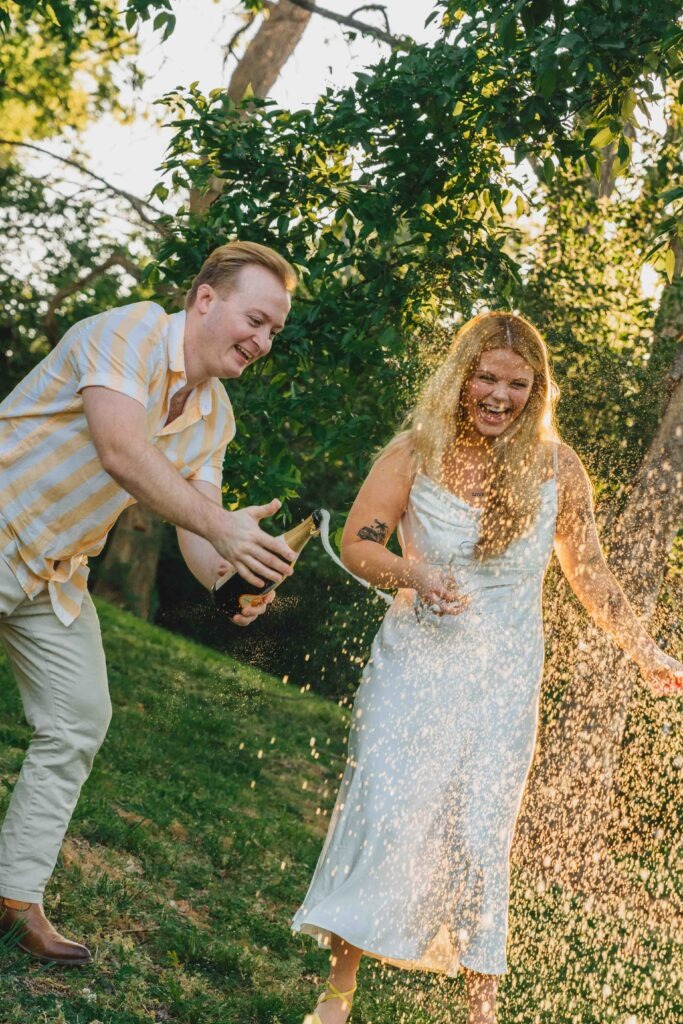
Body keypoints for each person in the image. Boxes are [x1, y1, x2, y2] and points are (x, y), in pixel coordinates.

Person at [291, 311, 683, 1024]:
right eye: (486, 378)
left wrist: (644, 649)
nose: (498, 396)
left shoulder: (557, 469)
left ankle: (481, 1008)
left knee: (478, 831)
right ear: (460, 377)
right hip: (413, 665)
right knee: (382, 804)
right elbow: (356, 543)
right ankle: (337, 991)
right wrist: (413, 573)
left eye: (516, 384)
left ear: (536, 392)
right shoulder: (415, 453)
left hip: (501, 680)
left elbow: (588, 573)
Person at [0, 240, 298, 964]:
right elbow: (123, 452)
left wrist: (233, 574)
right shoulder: (126, 332)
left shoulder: (214, 417)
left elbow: (198, 524)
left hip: (52, 573)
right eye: (253, 319)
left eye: (272, 332)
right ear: (205, 299)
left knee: (77, 718)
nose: (260, 341)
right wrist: (222, 529)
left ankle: (13, 897)